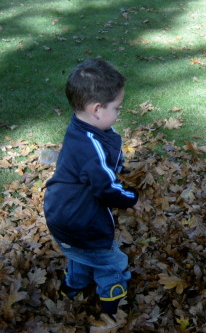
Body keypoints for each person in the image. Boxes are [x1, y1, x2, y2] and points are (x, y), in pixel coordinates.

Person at [44, 59, 139, 317]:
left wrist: (119, 165)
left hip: (59, 215)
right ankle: (112, 304)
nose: (119, 113)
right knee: (111, 261)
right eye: (117, 108)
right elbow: (106, 188)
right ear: (97, 109)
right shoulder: (91, 147)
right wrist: (131, 197)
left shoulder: (79, 128)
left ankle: (71, 287)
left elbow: (102, 160)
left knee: (79, 253)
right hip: (83, 220)